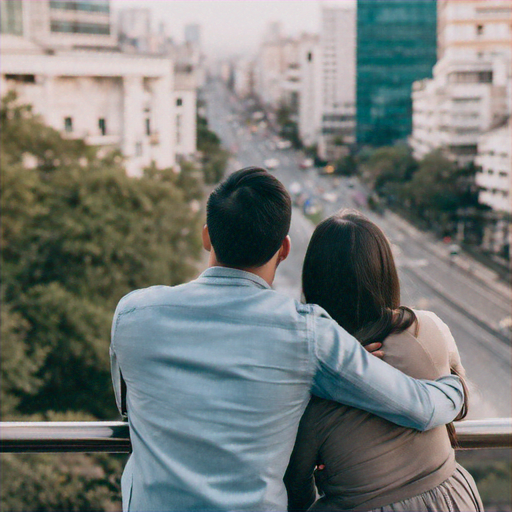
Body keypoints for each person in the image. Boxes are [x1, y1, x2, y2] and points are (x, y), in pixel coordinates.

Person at [110, 168, 465, 512]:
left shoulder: (132, 313)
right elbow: (420, 408)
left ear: (206, 236)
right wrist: (455, 386)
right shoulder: (308, 335)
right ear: (284, 248)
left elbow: (129, 406)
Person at [285, 210, 483, 512]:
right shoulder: (425, 328)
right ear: (385, 271)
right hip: (452, 499)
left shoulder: (308, 372)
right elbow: (459, 401)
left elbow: (294, 488)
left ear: (314, 278)